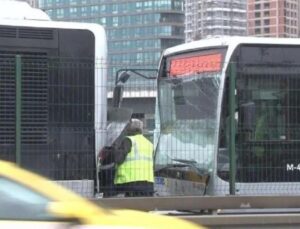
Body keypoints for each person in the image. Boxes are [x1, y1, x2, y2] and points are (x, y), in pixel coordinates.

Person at [113, 118, 154, 197]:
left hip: (129, 184)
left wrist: (115, 150)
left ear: (129, 129)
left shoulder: (128, 140)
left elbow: (118, 159)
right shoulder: (149, 144)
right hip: (148, 185)